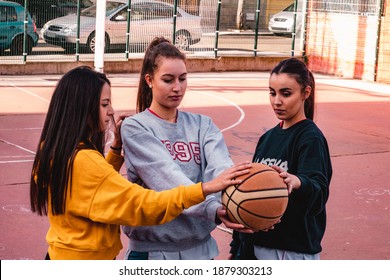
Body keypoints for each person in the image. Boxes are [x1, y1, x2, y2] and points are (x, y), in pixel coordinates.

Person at [29, 66, 252, 260]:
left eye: (182, 78)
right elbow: (141, 204)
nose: (111, 111)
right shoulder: (85, 160)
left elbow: (92, 190)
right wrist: (204, 189)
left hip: (62, 254)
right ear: (80, 108)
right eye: (104, 104)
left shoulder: (54, 151)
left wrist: (115, 151)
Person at [121, 37, 250, 260]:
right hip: (153, 251)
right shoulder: (136, 127)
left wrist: (234, 202)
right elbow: (167, 180)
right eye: (168, 80)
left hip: (201, 249)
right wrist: (211, 208)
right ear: (150, 80)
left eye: (182, 78)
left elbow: (221, 169)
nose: (177, 87)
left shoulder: (203, 124)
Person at [230, 57, 332, 260]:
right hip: (257, 247)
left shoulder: (310, 138)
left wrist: (298, 181)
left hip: (291, 250)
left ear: (306, 93)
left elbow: (319, 191)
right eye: (272, 93)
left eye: (286, 94)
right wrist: (237, 245)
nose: (277, 101)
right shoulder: (266, 138)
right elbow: (248, 191)